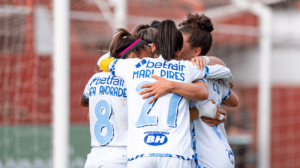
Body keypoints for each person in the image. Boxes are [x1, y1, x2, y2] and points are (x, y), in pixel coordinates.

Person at [100, 19, 233, 168]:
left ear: (153, 47)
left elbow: (103, 61)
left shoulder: (132, 66)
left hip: (140, 153)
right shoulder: (186, 67)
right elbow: (225, 72)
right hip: (176, 153)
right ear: (179, 51)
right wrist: (206, 61)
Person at [80, 29, 152, 168]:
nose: (150, 63)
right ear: (132, 57)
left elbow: (84, 101)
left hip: (94, 158)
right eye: (147, 58)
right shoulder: (132, 81)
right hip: (121, 157)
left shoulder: (95, 78)